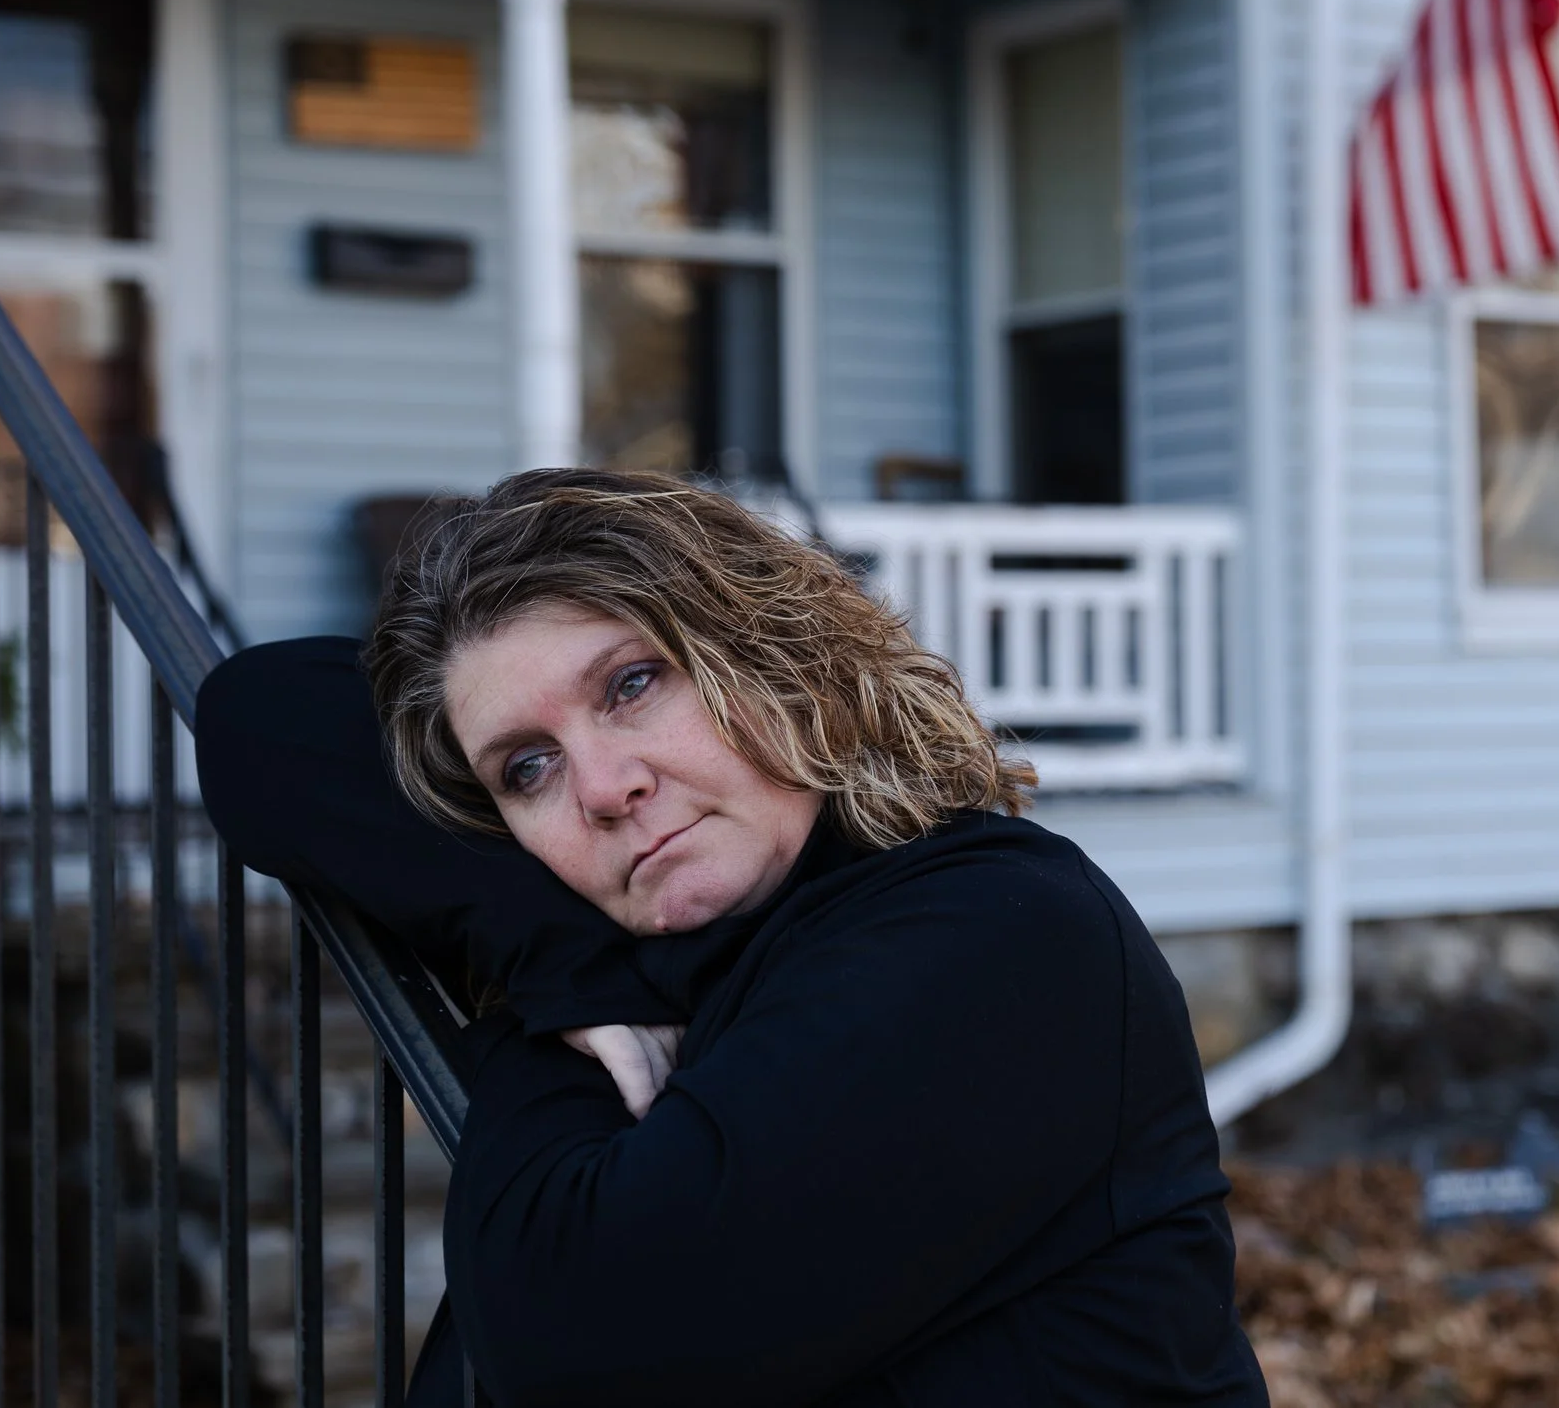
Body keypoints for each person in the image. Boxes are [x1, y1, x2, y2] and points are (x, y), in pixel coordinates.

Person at [195, 469, 1267, 1407]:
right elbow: (257, 717)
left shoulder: (999, 935)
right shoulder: (655, 949)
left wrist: (553, 1003)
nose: (606, 789)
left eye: (631, 682)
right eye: (527, 767)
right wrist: (557, 954)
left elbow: (570, 1333)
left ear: (767, 653)